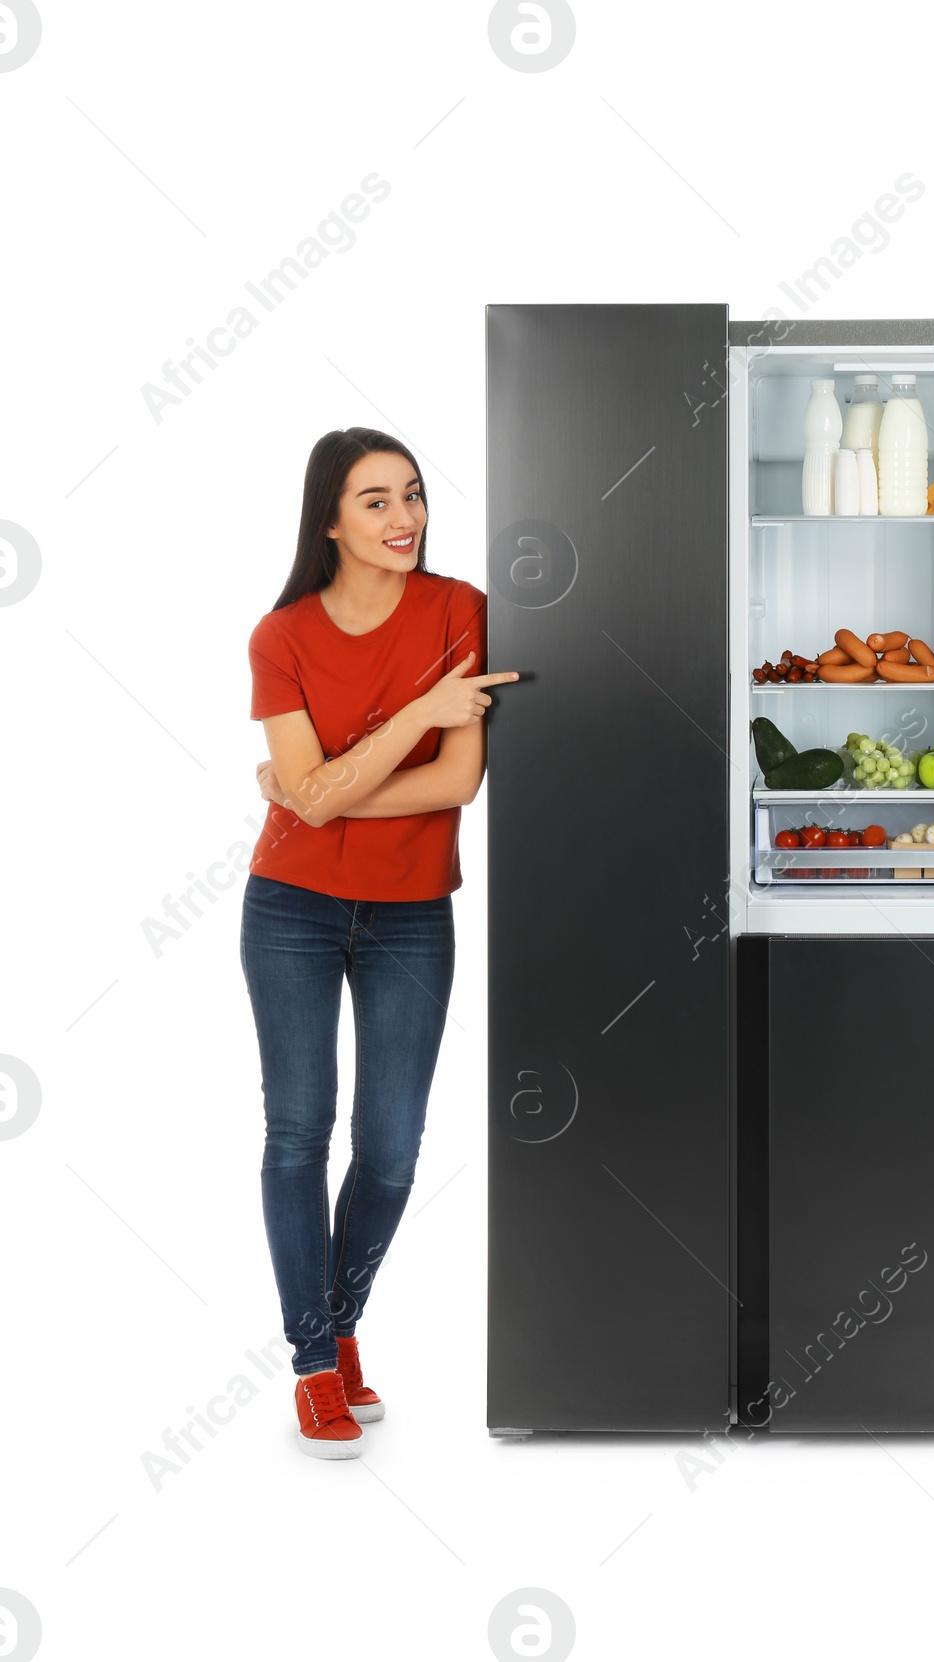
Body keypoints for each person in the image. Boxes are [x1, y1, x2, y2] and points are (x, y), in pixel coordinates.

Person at [240, 427, 517, 1458]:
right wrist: (419, 715)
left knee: (393, 1148)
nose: (405, 519)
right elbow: (320, 799)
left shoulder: (462, 612)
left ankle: (342, 1324)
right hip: (291, 908)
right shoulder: (282, 637)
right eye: (375, 502)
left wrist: (320, 789)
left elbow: (457, 783)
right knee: (296, 1135)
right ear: (330, 521)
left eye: (412, 496)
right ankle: (317, 1361)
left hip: (410, 909)